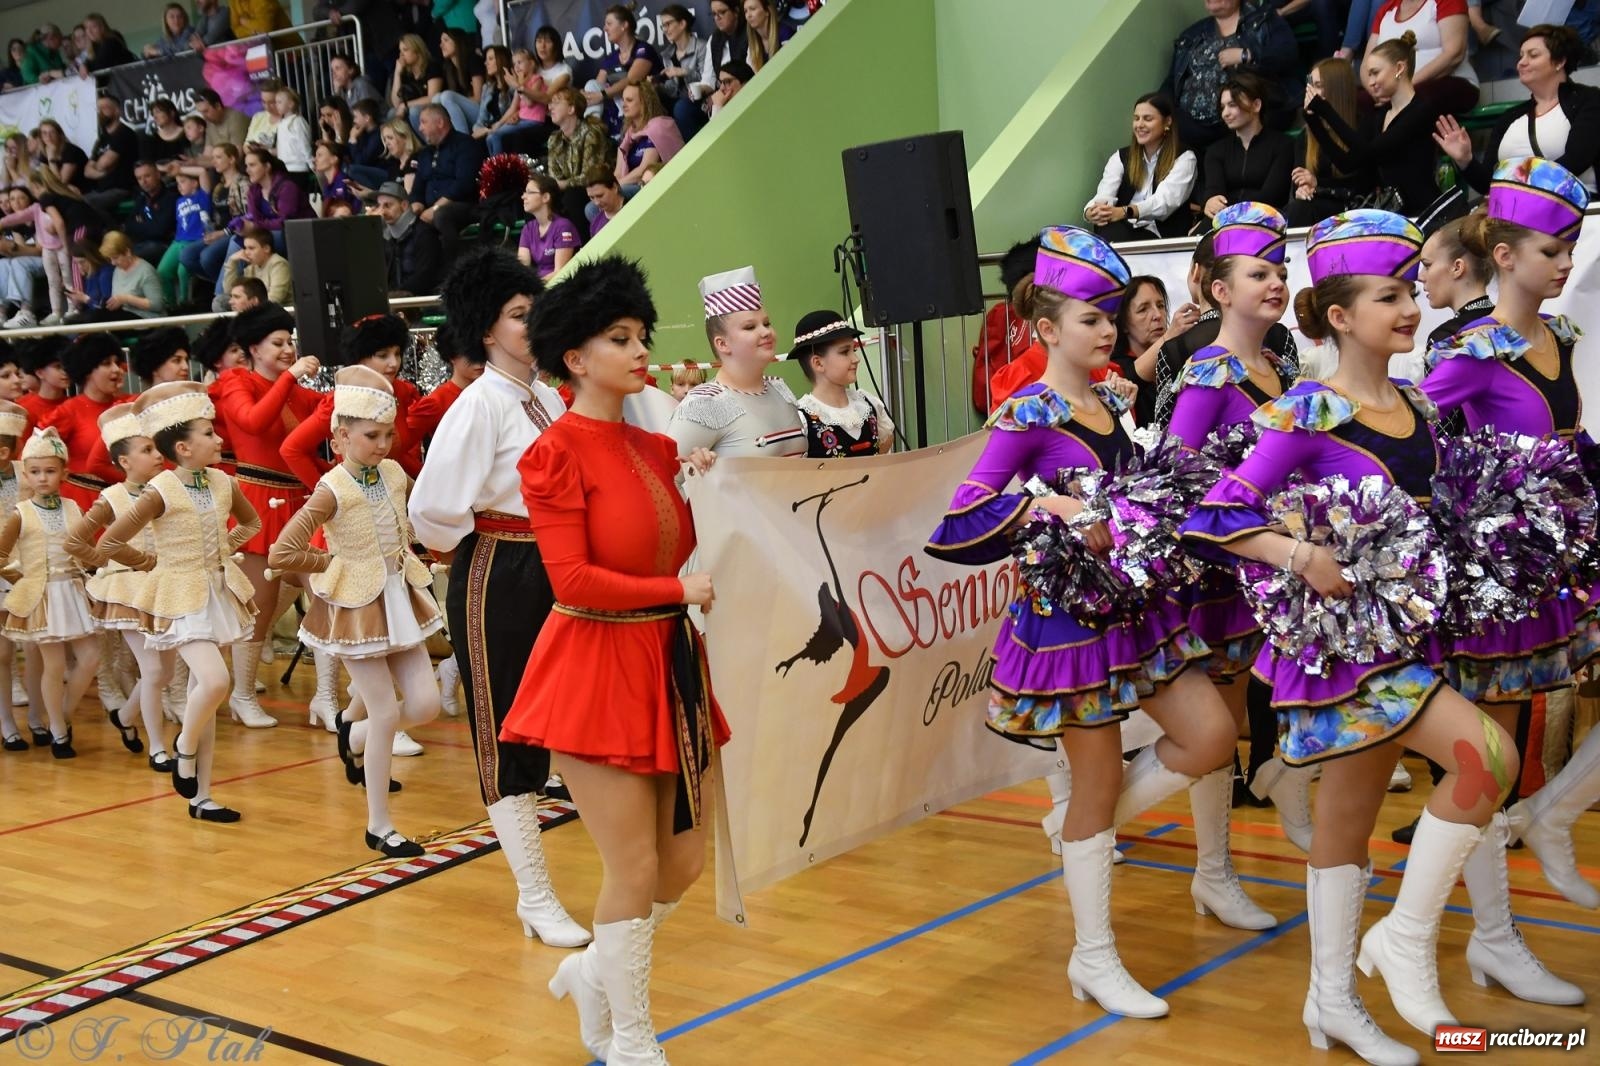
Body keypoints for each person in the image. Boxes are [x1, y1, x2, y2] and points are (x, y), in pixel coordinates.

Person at [1178, 209, 1520, 1058]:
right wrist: (1297, 554)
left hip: (1410, 637)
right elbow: (1212, 514)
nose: (1409, 308)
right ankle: (1401, 939)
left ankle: (1330, 999)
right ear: (1339, 315)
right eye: (1390, 295)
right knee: (1490, 759)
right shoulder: (1307, 410)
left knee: (1347, 821)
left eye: (1411, 291)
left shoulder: (1414, 402)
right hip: (1346, 649)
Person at [928, 225, 1235, 1019]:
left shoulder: (1109, 400)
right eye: (1094, 318)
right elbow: (956, 523)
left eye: (1112, 315)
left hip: (1135, 608)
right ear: (1046, 329)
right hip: (1065, 622)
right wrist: (1048, 506)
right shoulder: (1026, 409)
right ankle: (1094, 955)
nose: (1110, 329)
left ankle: (1077, 831)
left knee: (1211, 737)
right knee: (1097, 779)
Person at [497, 254, 723, 1063]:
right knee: (631, 867)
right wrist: (678, 585)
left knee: (685, 863)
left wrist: (716, 491)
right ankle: (631, 1041)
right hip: (595, 668)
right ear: (575, 358)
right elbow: (574, 578)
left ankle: (592, 972)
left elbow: (694, 549)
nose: (639, 352)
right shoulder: (554, 454)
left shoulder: (658, 449)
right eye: (619, 339)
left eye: (641, 337)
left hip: (669, 661)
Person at [1423, 159, 1600, 943]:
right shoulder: (1471, 353)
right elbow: (1415, 446)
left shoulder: (1558, 335)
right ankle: (1495, 938)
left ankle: (1555, 812)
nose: (1566, 264)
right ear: (1504, 256)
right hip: (1501, 577)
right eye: (1554, 250)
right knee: (1492, 756)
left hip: (1571, 552)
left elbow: (1571, 444)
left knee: (1507, 756)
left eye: (1572, 248)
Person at [408, 248, 588, 946]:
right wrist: (486, 533)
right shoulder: (477, 406)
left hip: (556, 565)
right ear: (486, 330)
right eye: (519, 315)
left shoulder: (543, 396)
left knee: (571, 717)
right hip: (500, 570)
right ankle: (535, 895)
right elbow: (433, 511)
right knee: (508, 730)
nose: (533, 321)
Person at [1164, 202, 1313, 915]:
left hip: (1280, 568)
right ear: (1220, 290)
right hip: (1225, 571)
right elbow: (1175, 468)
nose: (1275, 282)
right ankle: (1214, 870)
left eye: (1281, 270)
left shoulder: (1282, 363)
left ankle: (1286, 771)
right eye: (1259, 273)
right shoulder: (1207, 372)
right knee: (1219, 726)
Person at [269, 365, 443, 855]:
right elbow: (284, 550)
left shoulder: (391, 473)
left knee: (425, 704)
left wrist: (422, 550)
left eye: (389, 434)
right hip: (355, 605)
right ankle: (379, 824)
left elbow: (406, 521)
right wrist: (333, 562)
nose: (383, 444)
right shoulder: (332, 487)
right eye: (371, 435)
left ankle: (355, 728)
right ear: (341, 436)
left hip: (398, 594)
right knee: (387, 709)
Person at [90, 382, 260, 822]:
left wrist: (226, 549)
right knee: (215, 681)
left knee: (205, 690)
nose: (219, 438)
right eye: (209, 432)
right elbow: (109, 542)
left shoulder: (223, 481)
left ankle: (202, 796)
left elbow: (251, 521)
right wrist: (150, 561)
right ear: (183, 447)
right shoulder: (160, 489)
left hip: (217, 593)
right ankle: (183, 745)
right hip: (180, 597)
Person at [209, 304, 323, 729]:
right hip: (257, 499)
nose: (288, 349)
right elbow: (253, 423)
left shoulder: (295, 389)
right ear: (252, 348)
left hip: (300, 500)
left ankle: (327, 697)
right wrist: (291, 377)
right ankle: (241, 693)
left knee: (323, 596)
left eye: (290, 341)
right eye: (278, 343)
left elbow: (324, 417)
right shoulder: (236, 380)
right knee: (259, 604)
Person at [65, 406, 173, 771]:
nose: (158, 455)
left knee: (166, 672)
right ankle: (159, 748)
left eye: (157, 448)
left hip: (166, 584)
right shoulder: (113, 496)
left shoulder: (166, 488)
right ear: (124, 460)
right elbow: (76, 540)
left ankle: (126, 718)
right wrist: (105, 564)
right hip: (128, 589)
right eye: (147, 450)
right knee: (155, 671)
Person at [0, 427, 101, 759]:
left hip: (71, 591)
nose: (42, 479)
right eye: (35, 472)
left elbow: (84, 546)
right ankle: (57, 731)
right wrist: (22, 576)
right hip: (42, 596)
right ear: (25, 473)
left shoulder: (73, 508)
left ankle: (64, 715)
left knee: (90, 658)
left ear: (64, 473)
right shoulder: (21, 513)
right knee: (53, 665)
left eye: (50, 471)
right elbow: (2, 555)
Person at [1435, 23, 1600, 196]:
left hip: (1579, 212)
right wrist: (1465, 160)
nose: (1522, 62)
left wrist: (1520, 185)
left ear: (1559, 61)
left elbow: (1577, 159)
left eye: (1533, 55)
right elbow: (1487, 185)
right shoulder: (1509, 117)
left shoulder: (1588, 100)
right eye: (1520, 56)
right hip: (1516, 215)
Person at [669, 267, 808, 457]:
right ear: (722, 344)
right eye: (750, 327)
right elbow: (664, 477)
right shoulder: (704, 405)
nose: (765, 332)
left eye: (766, 323)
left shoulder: (779, 389)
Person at [1303, 33, 1440, 218]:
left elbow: (1369, 151)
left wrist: (1325, 110)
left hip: (1422, 212)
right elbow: (1348, 163)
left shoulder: (1421, 110)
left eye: (1375, 73)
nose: (1371, 82)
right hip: (1392, 214)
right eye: (1368, 75)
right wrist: (1314, 121)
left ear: (1399, 68)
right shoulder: (1380, 115)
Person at [1164, 0, 1300, 151]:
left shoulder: (1265, 19)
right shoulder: (1191, 35)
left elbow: (1287, 54)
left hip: (1250, 114)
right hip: (1194, 126)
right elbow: (1173, 81)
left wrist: (1247, 55)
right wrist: (1155, 108)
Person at [1085, 92, 1197, 242]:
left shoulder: (1184, 157)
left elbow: (1164, 202)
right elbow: (1105, 194)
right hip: (1122, 229)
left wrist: (1126, 211)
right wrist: (1092, 211)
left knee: (1113, 234)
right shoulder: (1121, 156)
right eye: (1136, 118)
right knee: (1105, 226)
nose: (1139, 125)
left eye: (1148, 119)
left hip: (1162, 236)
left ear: (1167, 122)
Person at [788, 310, 893, 457]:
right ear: (818, 363)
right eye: (845, 352)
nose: (856, 358)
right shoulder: (801, 421)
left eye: (854, 350)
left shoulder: (869, 404)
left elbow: (885, 445)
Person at [1288, 58, 1373, 225]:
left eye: (1318, 85)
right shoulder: (1305, 135)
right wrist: (1303, 188)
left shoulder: (1364, 126)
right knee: (1300, 206)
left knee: (1303, 210)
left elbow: (1362, 183)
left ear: (1336, 89)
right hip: (1316, 208)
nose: (1310, 91)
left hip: (1356, 209)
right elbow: (1297, 179)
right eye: (1310, 85)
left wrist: (1318, 184)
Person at [1199, 73, 1294, 220]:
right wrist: (1210, 200)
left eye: (1232, 105)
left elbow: (1272, 196)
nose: (1225, 113)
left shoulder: (1283, 145)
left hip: (1266, 220)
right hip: (1224, 219)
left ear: (1256, 105)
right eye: (1222, 107)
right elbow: (1214, 191)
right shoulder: (1216, 151)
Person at [1364, 0, 1478, 116]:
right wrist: (1376, 91)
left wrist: (1403, 87)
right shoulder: (1386, 10)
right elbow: (1366, 64)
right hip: (1394, 89)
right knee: (1362, 102)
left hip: (1451, 81)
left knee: (1416, 100)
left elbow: (1454, 54)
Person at [410, 104, 486, 259]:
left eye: (423, 122)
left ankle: (455, 268)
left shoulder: (466, 144)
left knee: (441, 215)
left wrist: (436, 207)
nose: (420, 128)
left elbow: (464, 184)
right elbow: (418, 189)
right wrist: (414, 207)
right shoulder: (424, 154)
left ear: (439, 122)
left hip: (465, 206)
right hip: (430, 211)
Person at [1419, 215, 1492, 351]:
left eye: (1427, 265)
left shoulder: (1447, 339)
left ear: (1457, 268)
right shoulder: (1509, 328)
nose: (1420, 276)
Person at [587, 5, 661, 138]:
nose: (605, 28)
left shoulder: (643, 49)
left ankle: (597, 134)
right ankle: (593, 130)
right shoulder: (611, 58)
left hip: (642, 107)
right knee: (591, 85)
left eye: (609, 24)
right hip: (617, 108)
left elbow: (631, 79)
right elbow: (597, 85)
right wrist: (587, 96)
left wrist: (601, 94)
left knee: (629, 90)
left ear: (624, 25)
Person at [405, 323, 483, 444]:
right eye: (470, 355)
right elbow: (401, 441)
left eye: (483, 355)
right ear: (452, 356)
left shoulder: (491, 392)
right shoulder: (437, 401)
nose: (479, 362)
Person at [546, 87, 614, 226]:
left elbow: (591, 176)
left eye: (557, 103)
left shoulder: (591, 134)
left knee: (572, 197)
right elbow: (555, 176)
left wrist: (563, 184)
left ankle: (580, 246)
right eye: (550, 103)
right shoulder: (554, 139)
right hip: (570, 188)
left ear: (571, 109)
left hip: (596, 187)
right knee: (539, 199)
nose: (550, 107)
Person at [614, 82, 683, 197]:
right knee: (593, 206)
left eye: (629, 100)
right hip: (631, 184)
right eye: (623, 100)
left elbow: (644, 169)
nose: (624, 105)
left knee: (620, 192)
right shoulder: (628, 135)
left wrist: (616, 187)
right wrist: (609, 188)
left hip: (654, 184)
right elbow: (617, 172)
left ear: (644, 103)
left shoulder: (657, 127)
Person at [375, 180, 442, 295]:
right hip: (394, 302)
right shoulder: (386, 239)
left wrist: (397, 293)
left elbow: (425, 277)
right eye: (379, 206)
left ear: (404, 205)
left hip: (419, 302)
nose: (382, 211)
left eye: (387, 205)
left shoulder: (425, 234)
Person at [660, 4, 714, 140]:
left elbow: (708, 81)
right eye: (663, 26)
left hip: (701, 100)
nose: (665, 30)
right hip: (678, 100)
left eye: (668, 24)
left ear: (682, 23)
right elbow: (672, 90)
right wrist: (656, 86)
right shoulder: (667, 54)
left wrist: (684, 72)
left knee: (681, 108)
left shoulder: (701, 46)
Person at [487, 47, 551, 157]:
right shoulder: (519, 83)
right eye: (514, 63)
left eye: (520, 62)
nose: (516, 66)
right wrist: (500, 123)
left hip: (533, 121)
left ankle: (498, 168)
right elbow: (513, 107)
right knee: (490, 136)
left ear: (531, 64)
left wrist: (518, 86)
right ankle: (494, 166)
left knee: (497, 136)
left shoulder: (537, 79)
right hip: (522, 121)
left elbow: (530, 102)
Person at [83, 95, 141, 216]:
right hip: (102, 189)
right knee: (73, 200)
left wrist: (99, 167)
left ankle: (114, 230)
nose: (100, 112)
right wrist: (101, 173)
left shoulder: (124, 133)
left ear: (117, 111)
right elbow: (87, 171)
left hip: (121, 188)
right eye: (98, 109)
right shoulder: (102, 139)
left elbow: (104, 164)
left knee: (87, 203)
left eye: (104, 108)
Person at [88, 232, 165, 322]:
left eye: (115, 257)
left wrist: (126, 299)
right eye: (110, 259)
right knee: (94, 316)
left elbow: (157, 305)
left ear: (127, 252)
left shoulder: (146, 271)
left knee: (99, 318)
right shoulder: (118, 270)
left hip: (145, 319)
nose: (113, 263)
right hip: (124, 315)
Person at [517, 174, 579, 280]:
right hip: (538, 285)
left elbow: (560, 272)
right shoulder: (528, 228)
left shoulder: (563, 227)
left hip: (559, 287)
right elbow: (522, 269)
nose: (523, 196)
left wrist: (533, 288)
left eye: (529, 192)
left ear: (546, 197)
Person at [218, 224, 291, 311]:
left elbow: (274, 299)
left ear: (266, 249)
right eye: (245, 248)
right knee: (220, 301)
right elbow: (229, 291)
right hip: (257, 309)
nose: (246, 252)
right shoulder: (251, 267)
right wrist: (232, 262)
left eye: (251, 248)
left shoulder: (279, 264)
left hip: (279, 312)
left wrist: (247, 305)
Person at [124, 162, 178, 266]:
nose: (143, 182)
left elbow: (160, 231)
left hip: (163, 245)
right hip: (143, 243)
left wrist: (141, 223)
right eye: (139, 178)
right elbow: (129, 226)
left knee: (129, 256)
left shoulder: (171, 198)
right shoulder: (141, 198)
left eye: (147, 176)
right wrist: (150, 225)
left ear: (157, 175)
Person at [433, 28, 485, 134]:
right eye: (441, 41)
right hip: (465, 111)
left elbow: (478, 98)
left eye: (446, 40)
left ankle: (462, 138)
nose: (441, 45)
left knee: (446, 96)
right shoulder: (448, 67)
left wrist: (457, 100)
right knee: (436, 99)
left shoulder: (473, 60)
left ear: (457, 41)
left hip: (482, 112)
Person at [391, 33, 444, 129]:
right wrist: (397, 73)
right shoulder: (405, 72)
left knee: (415, 112)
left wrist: (405, 105)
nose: (401, 55)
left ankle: (429, 142)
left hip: (434, 109)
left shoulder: (432, 67)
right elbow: (396, 103)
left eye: (405, 50)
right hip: (410, 109)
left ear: (417, 50)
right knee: (391, 113)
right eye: (400, 51)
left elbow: (432, 97)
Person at [468, 46, 516, 146]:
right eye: (486, 59)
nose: (486, 63)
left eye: (490, 59)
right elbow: (481, 120)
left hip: (505, 129)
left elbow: (514, 113)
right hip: (488, 129)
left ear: (501, 60)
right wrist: (479, 131)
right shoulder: (487, 87)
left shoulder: (513, 86)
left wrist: (488, 130)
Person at [313, 140, 362, 215]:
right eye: (315, 155)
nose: (315, 159)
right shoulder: (327, 185)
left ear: (334, 159)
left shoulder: (343, 181)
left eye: (320, 155)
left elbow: (342, 211)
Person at [744, 0, 795, 71]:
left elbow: (791, 64)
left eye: (753, 9)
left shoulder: (784, 32)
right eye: (745, 11)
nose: (748, 15)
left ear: (767, 11)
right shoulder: (752, 45)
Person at [38, 121, 87, 192]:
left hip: (82, 191)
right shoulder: (44, 151)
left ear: (59, 134)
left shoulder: (71, 151)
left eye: (52, 132)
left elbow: (61, 183)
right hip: (64, 190)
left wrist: (51, 158)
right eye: (44, 133)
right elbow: (44, 178)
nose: (48, 137)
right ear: (41, 137)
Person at [708, 0, 748, 80]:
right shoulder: (715, 37)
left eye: (722, 12)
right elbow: (710, 78)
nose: (717, 18)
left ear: (736, 11)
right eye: (714, 14)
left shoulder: (749, 33)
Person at [585, 169, 626, 238]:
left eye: (600, 196)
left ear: (615, 188)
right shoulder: (595, 226)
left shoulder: (634, 206)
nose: (596, 202)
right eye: (592, 197)